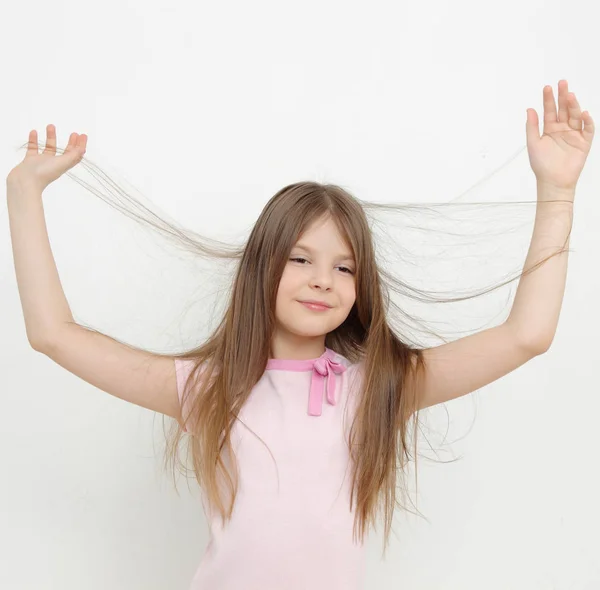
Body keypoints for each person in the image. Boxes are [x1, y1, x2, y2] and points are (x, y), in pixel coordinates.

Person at [5, 80, 594, 590]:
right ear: (263, 265)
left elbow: (526, 336)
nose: (323, 281)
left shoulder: (380, 387)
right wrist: (23, 194)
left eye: (344, 267)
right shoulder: (206, 387)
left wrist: (558, 190)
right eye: (301, 259)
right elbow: (53, 334)